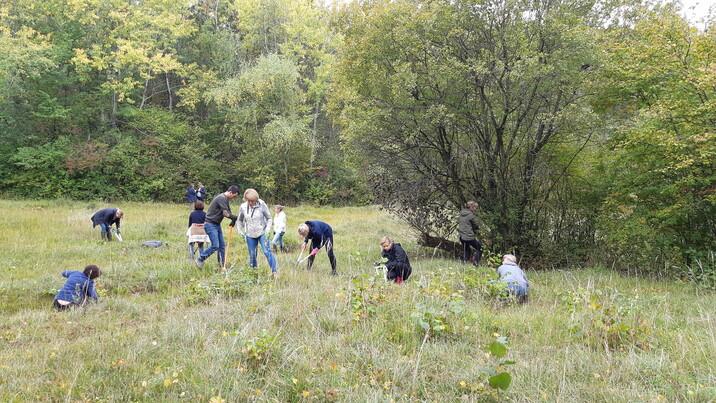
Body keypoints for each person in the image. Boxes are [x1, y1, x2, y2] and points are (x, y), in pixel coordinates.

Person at [195, 185, 240, 269]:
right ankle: (201, 258)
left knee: (222, 246)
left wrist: (233, 220)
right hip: (210, 224)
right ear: (230, 192)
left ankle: (222, 265)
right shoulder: (221, 198)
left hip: (216, 224)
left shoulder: (225, 199)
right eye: (234, 196)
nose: (234, 198)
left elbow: (228, 212)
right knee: (215, 245)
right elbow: (225, 214)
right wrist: (235, 217)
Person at [237, 189, 277, 275]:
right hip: (250, 234)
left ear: (256, 199)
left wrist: (267, 230)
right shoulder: (243, 207)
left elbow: (269, 218)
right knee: (252, 254)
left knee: (267, 251)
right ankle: (254, 273)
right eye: (249, 201)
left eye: (253, 201)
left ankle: (274, 272)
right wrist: (240, 231)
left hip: (262, 232)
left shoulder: (262, 204)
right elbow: (239, 221)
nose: (251, 203)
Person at [458, 200, 482, 265]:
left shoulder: (461, 213)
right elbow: (476, 225)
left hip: (462, 236)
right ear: (471, 207)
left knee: (467, 249)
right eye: (475, 208)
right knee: (480, 248)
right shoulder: (471, 215)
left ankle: (464, 262)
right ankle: (476, 262)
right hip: (469, 237)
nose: (475, 209)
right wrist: (478, 229)